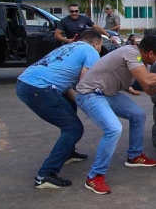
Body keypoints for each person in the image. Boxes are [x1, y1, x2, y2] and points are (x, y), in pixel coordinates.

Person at [75, 35, 156, 195]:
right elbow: (149, 80)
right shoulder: (131, 53)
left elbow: (149, 89)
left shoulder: (140, 61)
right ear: (150, 53)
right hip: (90, 94)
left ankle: (134, 156)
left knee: (138, 115)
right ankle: (95, 177)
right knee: (114, 129)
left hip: (108, 94)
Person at [16, 30, 103, 189]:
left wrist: (79, 101)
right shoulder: (91, 51)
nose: (99, 50)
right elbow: (83, 85)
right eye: (100, 47)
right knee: (74, 129)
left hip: (25, 83)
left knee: (70, 106)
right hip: (40, 89)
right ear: (96, 43)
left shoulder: (69, 47)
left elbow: (66, 86)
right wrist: (96, 105)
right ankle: (45, 175)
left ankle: (68, 153)